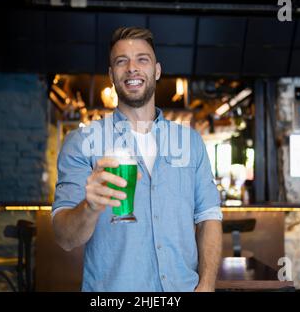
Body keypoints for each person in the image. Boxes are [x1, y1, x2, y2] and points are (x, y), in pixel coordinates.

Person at [52, 26, 222, 292]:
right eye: (122, 61)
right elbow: (65, 238)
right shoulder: (82, 143)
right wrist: (90, 206)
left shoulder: (190, 142)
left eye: (142, 59)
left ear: (156, 70)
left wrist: (207, 285)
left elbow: (209, 217)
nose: (132, 68)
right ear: (111, 75)